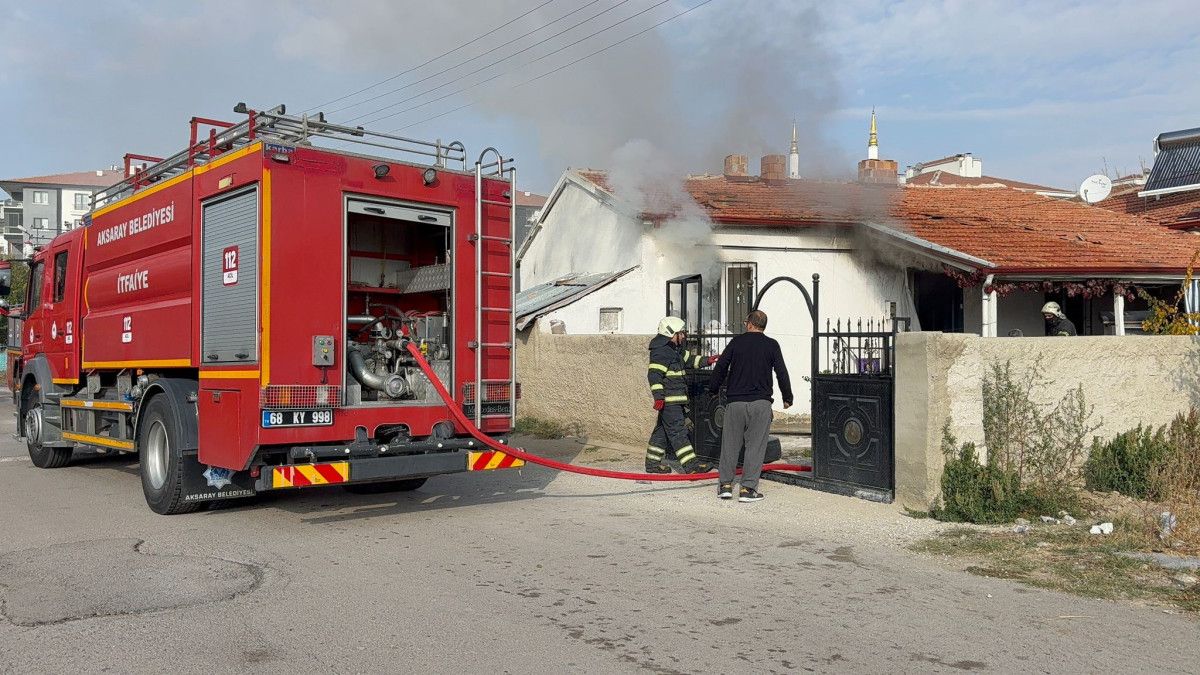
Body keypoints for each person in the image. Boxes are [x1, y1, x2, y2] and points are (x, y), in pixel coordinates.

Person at [707, 310, 792, 503]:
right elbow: (781, 372)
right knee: (755, 447)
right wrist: (787, 397)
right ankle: (747, 489)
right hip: (761, 404)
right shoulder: (772, 345)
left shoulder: (736, 343)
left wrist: (713, 389)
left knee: (730, 445)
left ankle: (725, 486)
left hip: (735, 403)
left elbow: (721, 366)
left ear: (750, 324)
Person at [645, 316, 717, 474]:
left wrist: (707, 360)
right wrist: (658, 397)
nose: (684, 336)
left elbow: (690, 360)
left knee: (662, 431)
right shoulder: (661, 352)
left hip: (674, 400)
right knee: (678, 432)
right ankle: (692, 466)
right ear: (671, 333)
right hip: (670, 401)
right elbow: (654, 375)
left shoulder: (674, 349)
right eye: (681, 333)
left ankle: (652, 463)